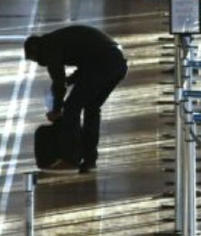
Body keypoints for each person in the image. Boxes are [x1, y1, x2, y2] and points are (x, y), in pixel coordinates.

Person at [24, 25, 128, 173]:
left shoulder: (49, 47)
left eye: (35, 59)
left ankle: (70, 159)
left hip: (102, 64)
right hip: (117, 64)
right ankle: (89, 159)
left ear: (36, 50)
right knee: (91, 108)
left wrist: (56, 110)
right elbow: (87, 63)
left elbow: (59, 84)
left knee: (72, 108)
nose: (39, 63)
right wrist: (69, 80)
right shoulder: (58, 39)